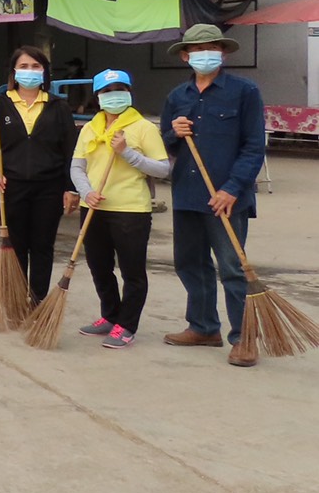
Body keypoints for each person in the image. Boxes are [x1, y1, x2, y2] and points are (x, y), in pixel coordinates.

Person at [158, 24, 266, 366]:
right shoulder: (177, 97)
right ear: (185, 56)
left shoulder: (245, 92)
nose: (205, 54)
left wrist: (232, 188)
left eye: (212, 48)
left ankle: (243, 338)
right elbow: (164, 143)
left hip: (228, 199)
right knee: (190, 263)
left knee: (233, 267)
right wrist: (173, 133)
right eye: (197, 49)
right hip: (187, 193)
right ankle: (203, 327)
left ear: (223, 53)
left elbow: (254, 146)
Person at [72, 70, 171, 349]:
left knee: (132, 271)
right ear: (98, 97)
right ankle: (110, 314)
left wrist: (127, 152)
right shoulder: (90, 129)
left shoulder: (143, 127)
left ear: (129, 93)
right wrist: (86, 192)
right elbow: (77, 166)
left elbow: (162, 169)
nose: (114, 96)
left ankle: (127, 325)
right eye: (107, 91)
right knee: (99, 267)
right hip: (93, 207)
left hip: (131, 209)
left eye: (120, 90)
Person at [0, 46, 79, 304]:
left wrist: (71, 187)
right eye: (24, 66)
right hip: (10, 187)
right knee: (16, 246)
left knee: (43, 246)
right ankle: (15, 299)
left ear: (44, 72)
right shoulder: (0, 105)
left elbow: (71, 151)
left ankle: (37, 300)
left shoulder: (59, 107)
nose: (30, 71)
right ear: (14, 72)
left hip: (50, 188)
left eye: (35, 66)